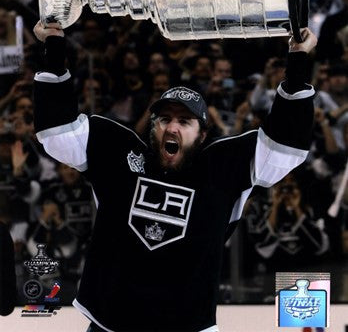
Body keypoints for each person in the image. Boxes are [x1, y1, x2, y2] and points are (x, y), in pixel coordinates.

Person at [32, 20, 316, 332]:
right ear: (152, 124)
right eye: (164, 118)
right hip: (111, 324)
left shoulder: (221, 168)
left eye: (185, 121)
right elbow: (58, 133)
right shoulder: (121, 153)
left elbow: (285, 147)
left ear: (203, 133)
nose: (172, 127)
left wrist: (299, 61)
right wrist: (55, 47)